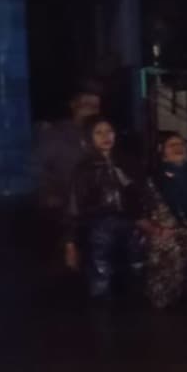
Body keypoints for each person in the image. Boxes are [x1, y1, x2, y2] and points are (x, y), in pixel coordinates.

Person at [64, 116, 148, 300]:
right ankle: (102, 319)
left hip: (131, 223)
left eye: (109, 131)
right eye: (99, 132)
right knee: (101, 273)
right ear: (89, 138)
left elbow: (142, 193)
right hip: (99, 227)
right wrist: (70, 243)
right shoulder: (84, 169)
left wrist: (145, 219)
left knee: (137, 267)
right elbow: (74, 206)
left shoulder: (128, 163)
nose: (105, 137)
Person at [140, 133, 187, 308]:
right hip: (168, 239)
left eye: (181, 144)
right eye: (171, 145)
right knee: (164, 298)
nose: (178, 148)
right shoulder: (154, 179)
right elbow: (140, 212)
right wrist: (157, 229)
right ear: (161, 150)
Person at [37, 86, 102, 263]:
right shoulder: (56, 134)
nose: (91, 109)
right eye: (86, 104)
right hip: (63, 210)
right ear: (74, 105)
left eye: (96, 105)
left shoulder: (102, 133)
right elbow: (38, 167)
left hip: (95, 211)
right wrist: (49, 194)